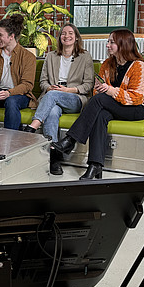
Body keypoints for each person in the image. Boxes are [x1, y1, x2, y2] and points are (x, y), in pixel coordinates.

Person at [51, 28, 144, 180]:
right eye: (108, 41)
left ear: (123, 44)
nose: (107, 45)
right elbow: (96, 92)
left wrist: (110, 91)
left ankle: (71, 140)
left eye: (111, 42)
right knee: (101, 115)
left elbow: (137, 98)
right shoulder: (107, 64)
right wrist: (103, 91)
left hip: (138, 108)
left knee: (101, 101)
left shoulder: (138, 66)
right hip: (113, 106)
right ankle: (95, 165)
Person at [26, 23, 94, 176]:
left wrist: (67, 90)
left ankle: (33, 126)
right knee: (52, 112)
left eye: (70, 33)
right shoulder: (51, 56)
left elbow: (88, 85)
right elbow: (43, 82)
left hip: (75, 98)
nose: (66, 36)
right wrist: (49, 88)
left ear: (76, 37)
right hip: (53, 96)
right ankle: (55, 155)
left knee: (53, 97)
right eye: (63, 33)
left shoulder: (85, 56)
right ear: (60, 37)